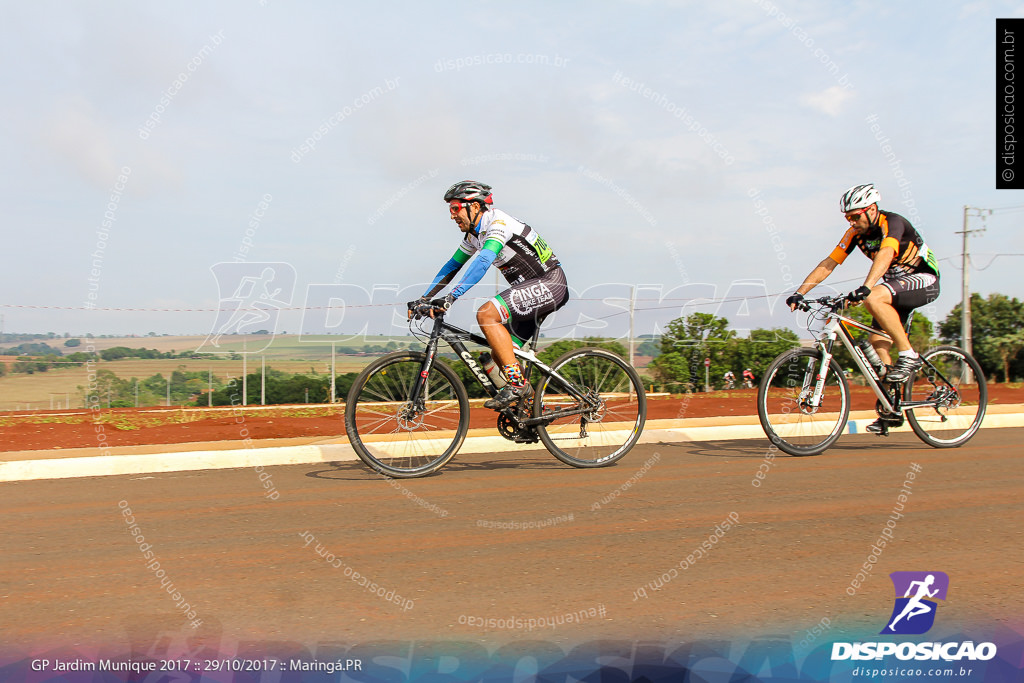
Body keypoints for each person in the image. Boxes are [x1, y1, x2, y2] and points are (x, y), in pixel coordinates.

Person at [787, 183, 940, 434]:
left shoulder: (892, 222)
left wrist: (867, 287)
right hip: (895, 287)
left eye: (855, 216)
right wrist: (800, 292)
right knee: (877, 345)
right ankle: (892, 408)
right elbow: (829, 262)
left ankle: (909, 355)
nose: (852, 222)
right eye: (847, 217)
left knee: (874, 299)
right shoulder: (854, 234)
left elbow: (887, 253)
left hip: (924, 280)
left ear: (871, 209)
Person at [409, 181, 569, 410]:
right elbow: (452, 266)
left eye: (455, 208)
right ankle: (533, 410)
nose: (452, 216)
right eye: (450, 210)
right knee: (500, 353)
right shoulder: (474, 235)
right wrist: (425, 298)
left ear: (474, 206)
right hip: (532, 289)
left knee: (486, 314)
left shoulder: (498, 224)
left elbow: (483, 261)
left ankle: (516, 385)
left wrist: (451, 297)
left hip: (550, 283)